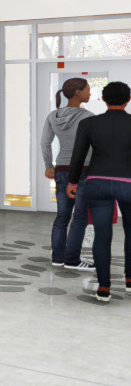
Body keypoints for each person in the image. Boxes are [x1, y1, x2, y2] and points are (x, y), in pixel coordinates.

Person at [67, 80, 131, 302]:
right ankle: (130, 279)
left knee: (102, 236)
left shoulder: (89, 124)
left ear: (103, 99)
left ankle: (104, 287)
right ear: (129, 99)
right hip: (128, 183)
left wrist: (72, 182)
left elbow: (77, 156)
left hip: (97, 183)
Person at [42, 77, 94, 269]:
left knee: (62, 215)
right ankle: (72, 260)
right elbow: (95, 146)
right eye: (88, 90)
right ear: (78, 92)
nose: (90, 93)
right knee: (79, 216)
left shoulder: (53, 116)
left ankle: (57, 258)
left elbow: (44, 142)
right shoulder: (88, 117)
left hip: (62, 169)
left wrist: (49, 164)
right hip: (84, 170)